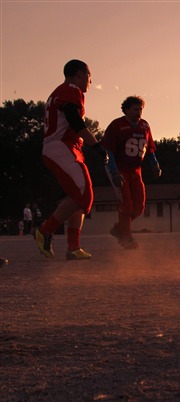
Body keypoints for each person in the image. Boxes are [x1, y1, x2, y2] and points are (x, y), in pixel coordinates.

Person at [35, 59, 100, 260]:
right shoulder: (71, 89)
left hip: (66, 147)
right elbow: (74, 118)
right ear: (79, 74)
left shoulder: (64, 91)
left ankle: (73, 246)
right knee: (83, 193)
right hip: (61, 146)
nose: (91, 80)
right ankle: (45, 230)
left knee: (79, 198)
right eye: (89, 75)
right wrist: (96, 144)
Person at [102, 96, 162, 249]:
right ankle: (126, 238)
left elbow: (149, 150)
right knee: (127, 205)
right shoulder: (117, 125)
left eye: (141, 109)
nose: (139, 112)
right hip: (119, 168)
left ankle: (119, 229)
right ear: (126, 110)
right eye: (135, 109)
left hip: (136, 170)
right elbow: (109, 152)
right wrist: (114, 172)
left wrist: (155, 165)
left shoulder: (145, 126)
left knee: (139, 207)